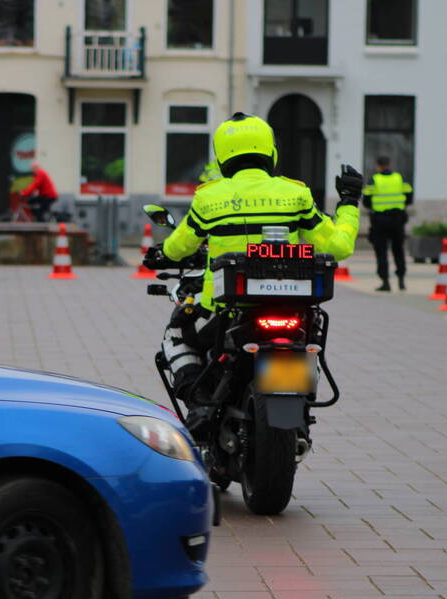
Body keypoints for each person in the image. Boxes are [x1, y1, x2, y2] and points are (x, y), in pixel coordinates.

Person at [145, 113, 361, 423]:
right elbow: (339, 247)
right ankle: (295, 407)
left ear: (222, 155)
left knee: (177, 333)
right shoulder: (295, 194)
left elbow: (179, 247)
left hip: (225, 311)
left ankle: (201, 405)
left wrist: (159, 254)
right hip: (291, 306)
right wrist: (349, 203)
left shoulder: (208, 198)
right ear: (270, 150)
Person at [363, 156, 413, 291]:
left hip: (380, 220)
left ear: (378, 166)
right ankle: (401, 279)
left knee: (381, 252)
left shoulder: (374, 180)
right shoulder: (400, 178)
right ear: (389, 164)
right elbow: (409, 197)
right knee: (398, 250)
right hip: (397, 220)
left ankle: (385, 282)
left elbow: (366, 201)